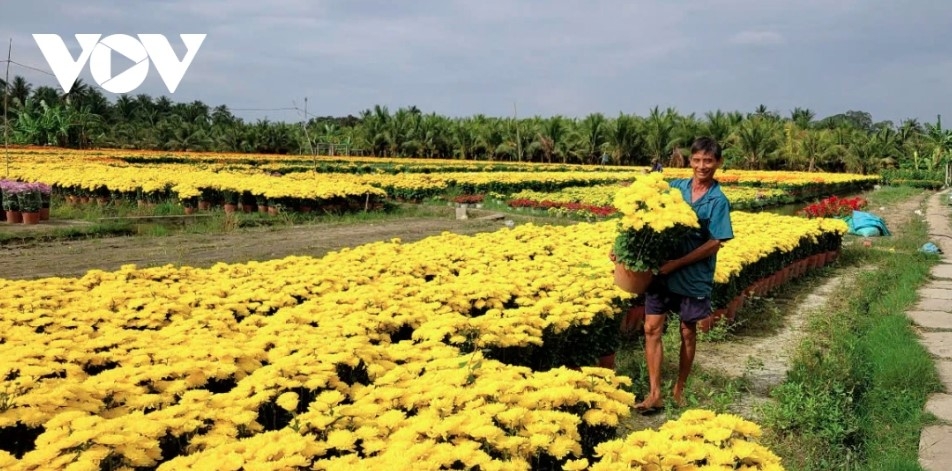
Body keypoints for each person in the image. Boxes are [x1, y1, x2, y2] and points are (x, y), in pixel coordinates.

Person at [634, 136, 734, 413]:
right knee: (651, 328)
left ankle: (679, 388)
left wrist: (677, 263)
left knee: (687, 332)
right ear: (690, 161)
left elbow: (715, 242)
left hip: (692, 277)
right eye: (697, 160)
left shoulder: (717, 200)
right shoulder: (676, 188)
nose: (702, 166)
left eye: (709, 161)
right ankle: (654, 393)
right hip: (662, 273)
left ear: (718, 163)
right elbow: (644, 209)